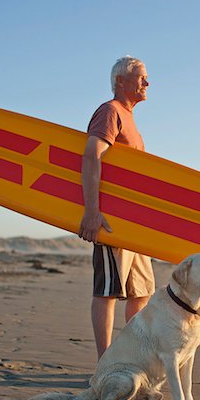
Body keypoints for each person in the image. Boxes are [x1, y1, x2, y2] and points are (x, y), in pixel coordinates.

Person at [79, 56, 155, 359]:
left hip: (133, 223)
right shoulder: (110, 112)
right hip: (112, 221)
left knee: (141, 291)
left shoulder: (130, 117)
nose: (147, 83)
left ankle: (131, 356)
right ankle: (105, 362)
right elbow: (90, 156)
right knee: (108, 291)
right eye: (141, 77)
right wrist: (91, 212)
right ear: (120, 81)